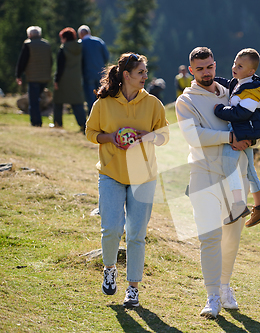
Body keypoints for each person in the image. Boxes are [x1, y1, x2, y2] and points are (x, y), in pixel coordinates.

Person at [175, 47, 254, 319]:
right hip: (202, 172)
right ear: (191, 71)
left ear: (214, 64)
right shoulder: (185, 101)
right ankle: (211, 296)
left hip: (235, 174)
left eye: (209, 67)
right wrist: (228, 138)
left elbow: (253, 119)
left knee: (232, 236)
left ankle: (224, 287)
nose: (206, 73)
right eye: (200, 69)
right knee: (209, 237)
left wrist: (251, 137)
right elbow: (192, 136)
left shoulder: (232, 93)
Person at [86, 53, 169, 307]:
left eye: (145, 72)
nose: (146, 76)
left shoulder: (153, 103)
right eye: (141, 72)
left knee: (136, 234)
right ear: (126, 75)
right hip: (111, 173)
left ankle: (133, 288)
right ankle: (109, 268)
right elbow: (91, 133)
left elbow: (164, 135)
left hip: (143, 175)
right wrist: (111, 138)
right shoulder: (104, 103)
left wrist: (148, 136)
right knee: (111, 229)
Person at [214, 48, 260, 227]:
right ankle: (259, 207)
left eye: (239, 66)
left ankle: (239, 204)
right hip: (244, 131)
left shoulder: (253, 92)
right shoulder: (242, 82)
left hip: (245, 131)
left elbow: (241, 113)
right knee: (249, 170)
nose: (234, 68)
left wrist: (219, 110)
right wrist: (211, 80)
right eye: (234, 63)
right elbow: (230, 84)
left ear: (251, 71)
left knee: (227, 163)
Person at [15, 26, 52, 127]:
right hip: (45, 77)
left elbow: (22, 61)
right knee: (38, 99)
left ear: (29, 35)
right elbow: (51, 61)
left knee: (33, 101)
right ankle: (38, 119)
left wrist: (18, 75)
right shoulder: (46, 44)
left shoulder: (28, 44)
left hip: (33, 77)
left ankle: (36, 122)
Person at [53, 27, 86, 131]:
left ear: (65, 38)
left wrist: (56, 80)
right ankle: (83, 124)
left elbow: (60, 67)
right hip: (76, 78)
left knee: (58, 101)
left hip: (64, 79)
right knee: (77, 102)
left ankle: (58, 123)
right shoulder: (80, 47)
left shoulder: (63, 49)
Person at [78, 25, 110, 115]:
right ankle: (103, 116)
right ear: (89, 32)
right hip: (100, 73)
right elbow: (106, 56)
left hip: (87, 73)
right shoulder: (99, 41)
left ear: (80, 34)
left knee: (90, 97)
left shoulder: (81, 43)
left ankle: (93, 116)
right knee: (101, 95)